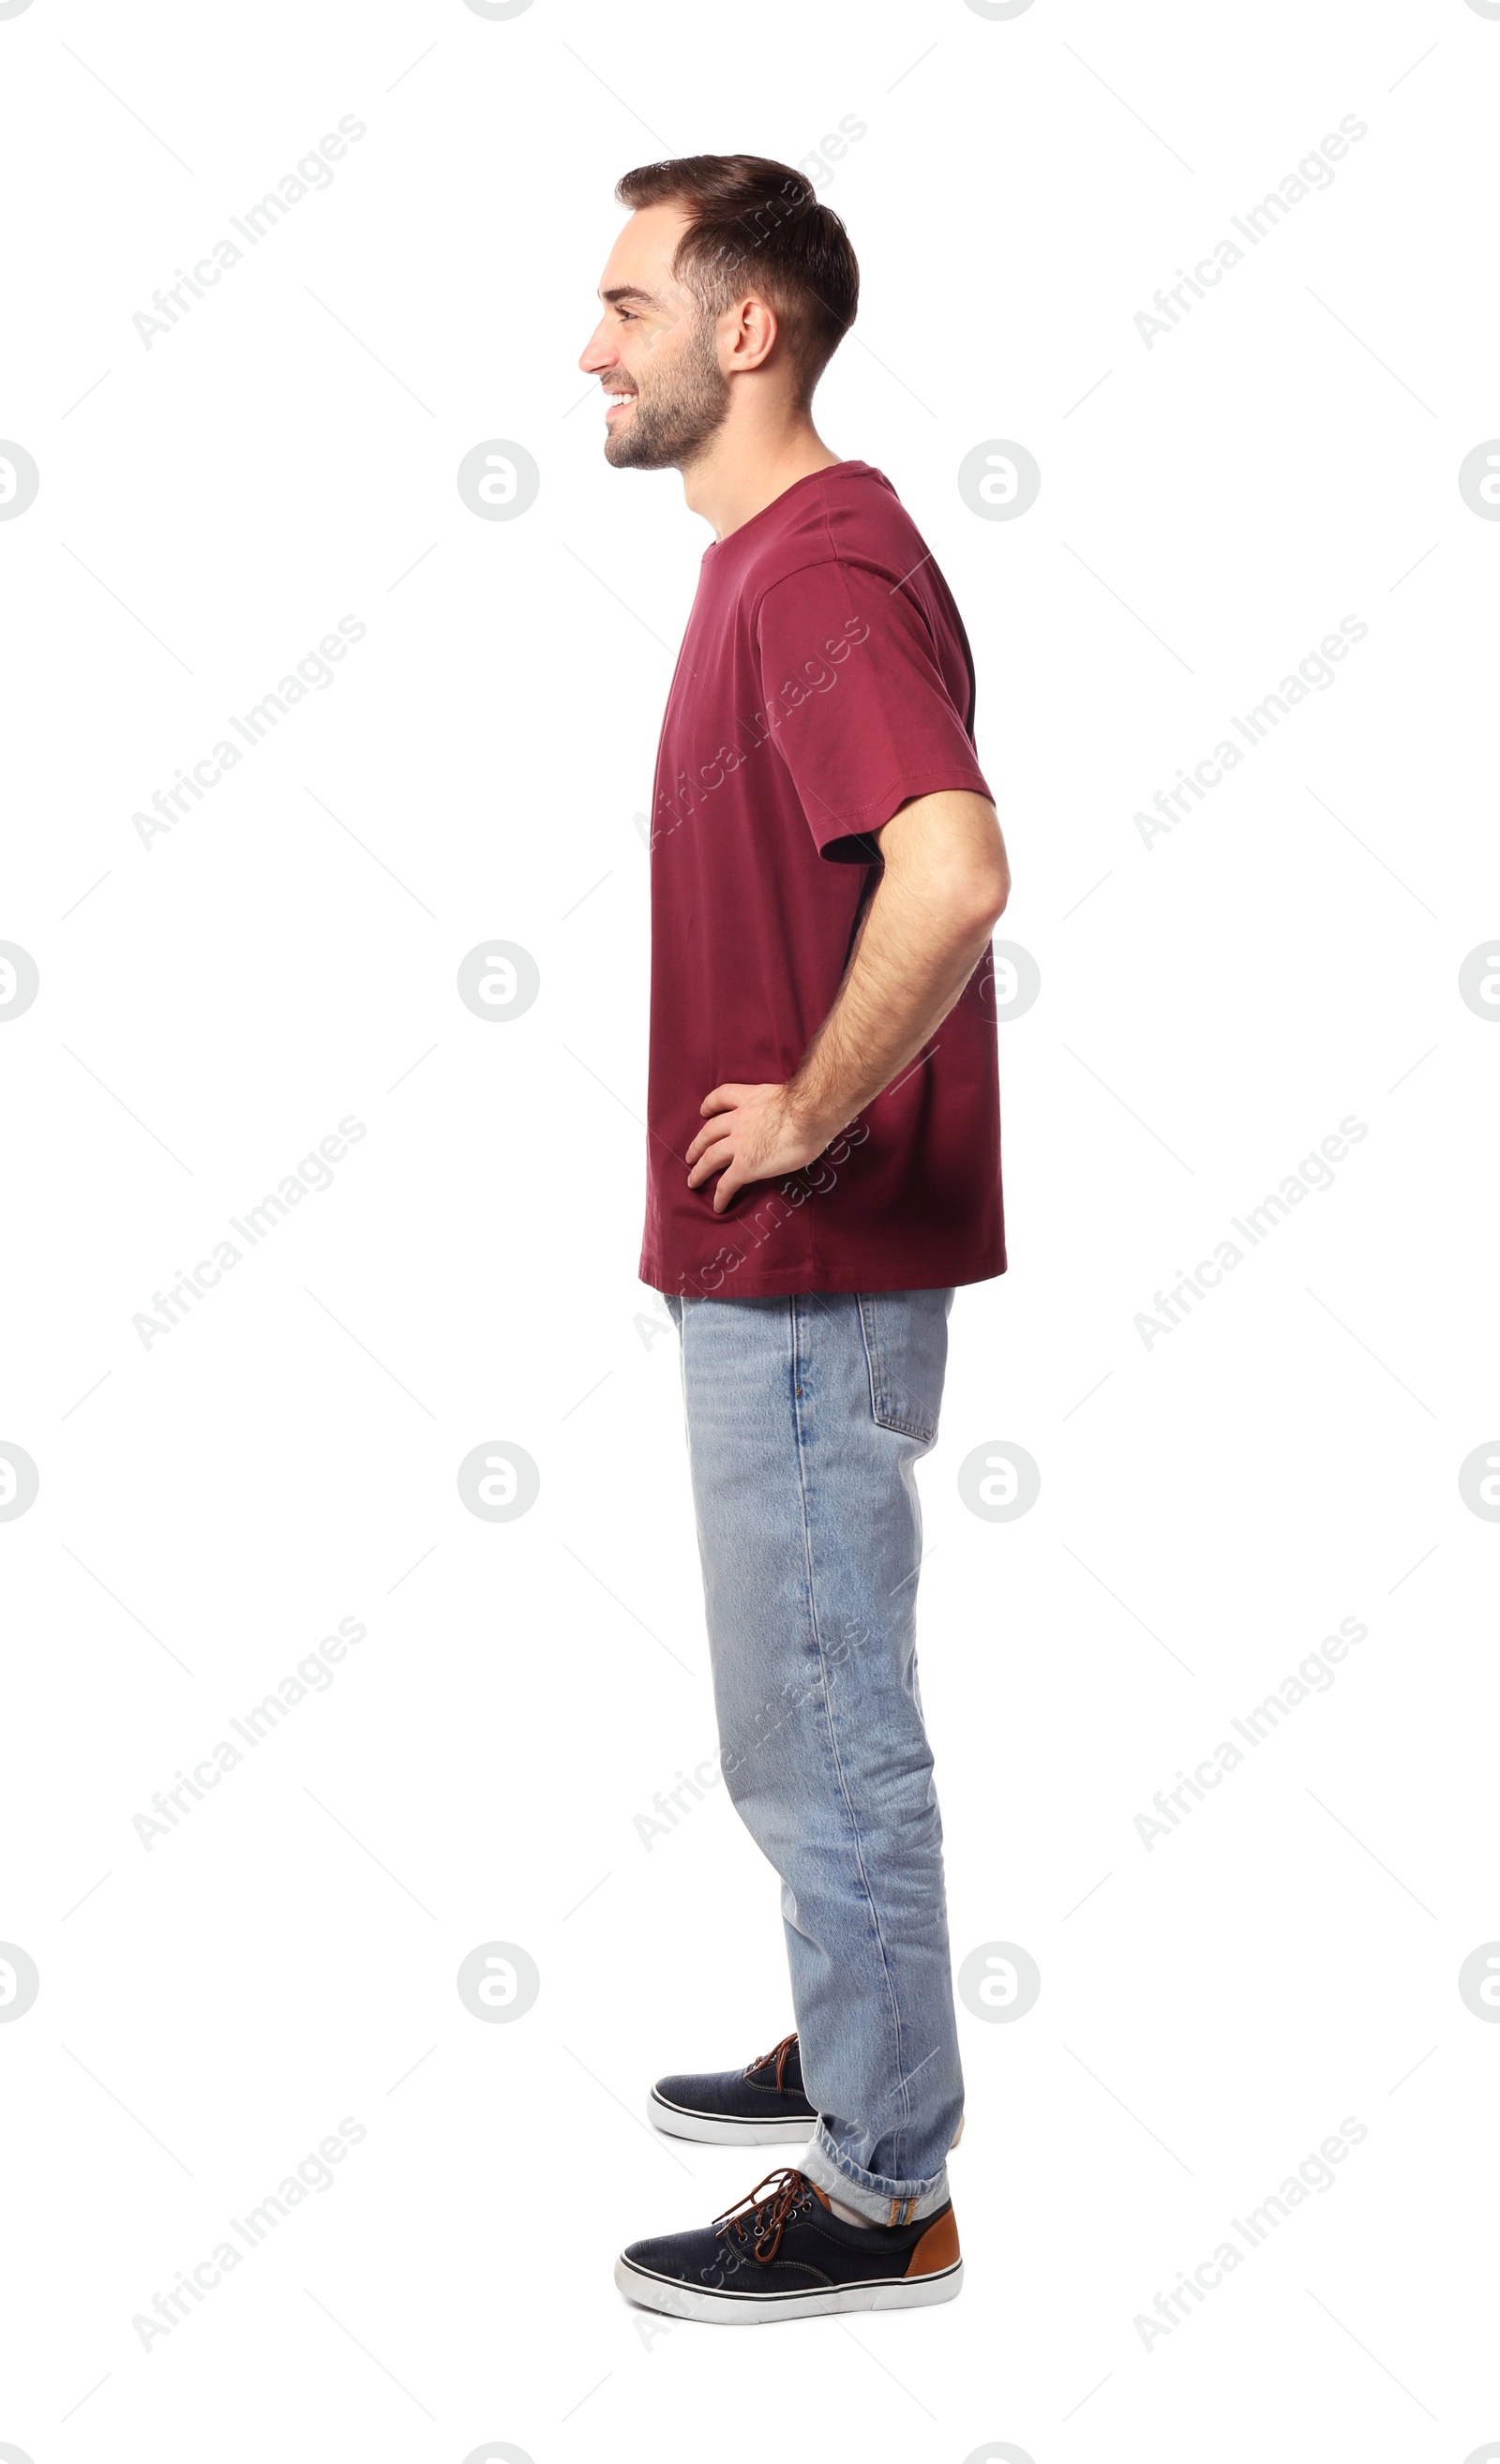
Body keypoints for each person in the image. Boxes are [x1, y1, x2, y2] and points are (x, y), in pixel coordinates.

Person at [578, 154, 1011, 2323]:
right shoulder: (763, 559)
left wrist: (811, 1114)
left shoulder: (819, 568)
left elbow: (951, 870)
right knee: (800, 1704)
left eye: (629, 300)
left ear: (745, 329)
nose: (594, 343)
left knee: (819, 1717)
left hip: (813, 1269)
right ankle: (857, 2045)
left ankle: (881, 2187)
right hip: (780, 1270)